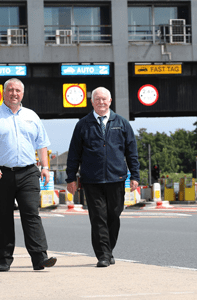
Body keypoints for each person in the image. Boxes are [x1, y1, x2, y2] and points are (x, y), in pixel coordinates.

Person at [0, 78, 57, 272]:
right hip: (0, 173)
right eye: (10, 90)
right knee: (2, 216)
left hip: (28, 172)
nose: (14, 93)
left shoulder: (32, 116)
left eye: (18, 90)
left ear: (23, 93)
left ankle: (40, 257)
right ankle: (4, 259)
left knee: (31, 213)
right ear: (4, 93)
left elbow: (42, 144)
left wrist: (45, 167)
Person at [66, 87, 140, 268]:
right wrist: (70, 178)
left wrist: (135, 176)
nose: (101, 102)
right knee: (98, 217)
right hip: (92, 180)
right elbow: (74, 153)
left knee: (114, 215)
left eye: (104, 99)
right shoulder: (83, 125)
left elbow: (132, 152)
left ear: (110, 101)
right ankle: (103, 255)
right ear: (92, 102)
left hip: (117, 178)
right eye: (97, 99)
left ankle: (109, 250)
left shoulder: (121, 123)